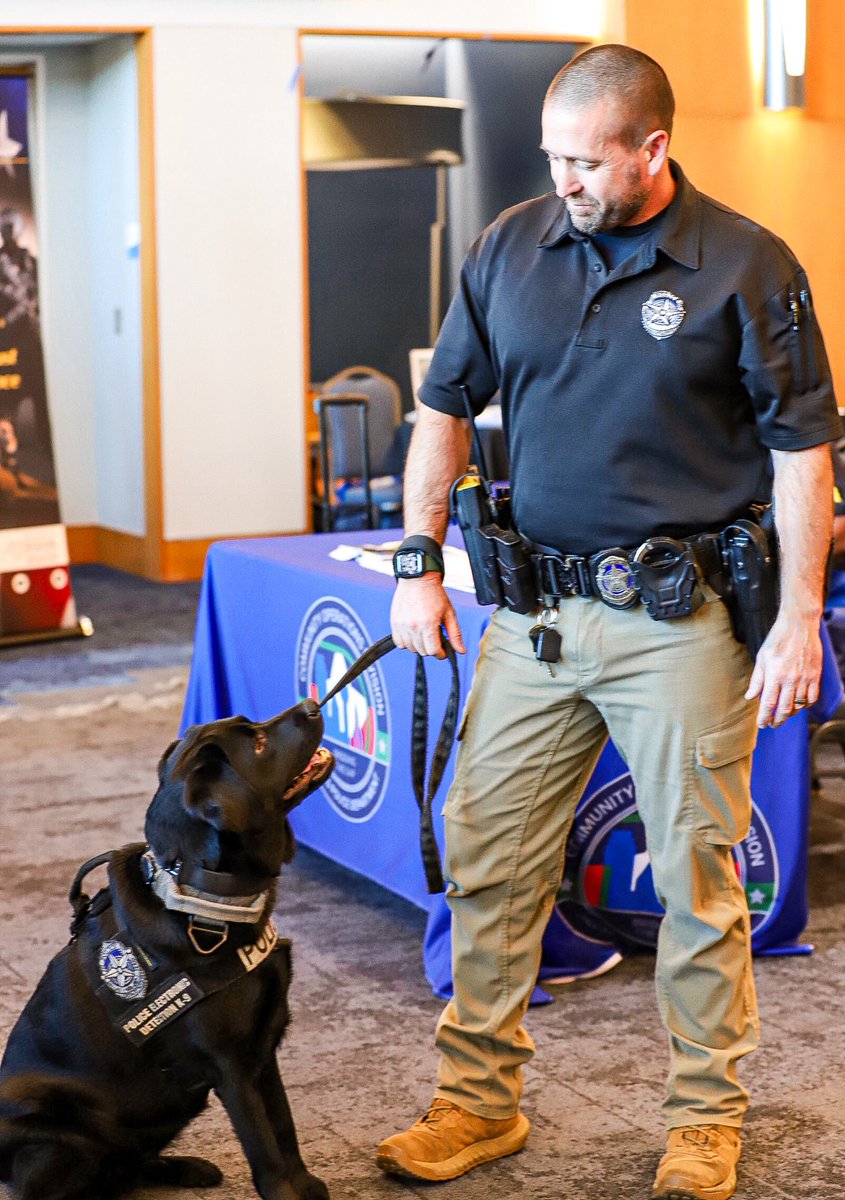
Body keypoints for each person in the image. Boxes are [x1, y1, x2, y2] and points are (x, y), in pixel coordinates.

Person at [378, 44, 841, 1200]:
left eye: (586, 162)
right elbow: (442, 410)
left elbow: (801, 457)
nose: (565, 180)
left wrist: (798, 621)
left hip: (678, 625)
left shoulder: (744, 262)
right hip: (533, 618)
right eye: (552, 158)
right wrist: (416, 564)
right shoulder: (507, 246)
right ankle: (476, 1105)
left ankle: (702, 1122)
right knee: (487, 865)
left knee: (692, 879)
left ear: (652, 148)